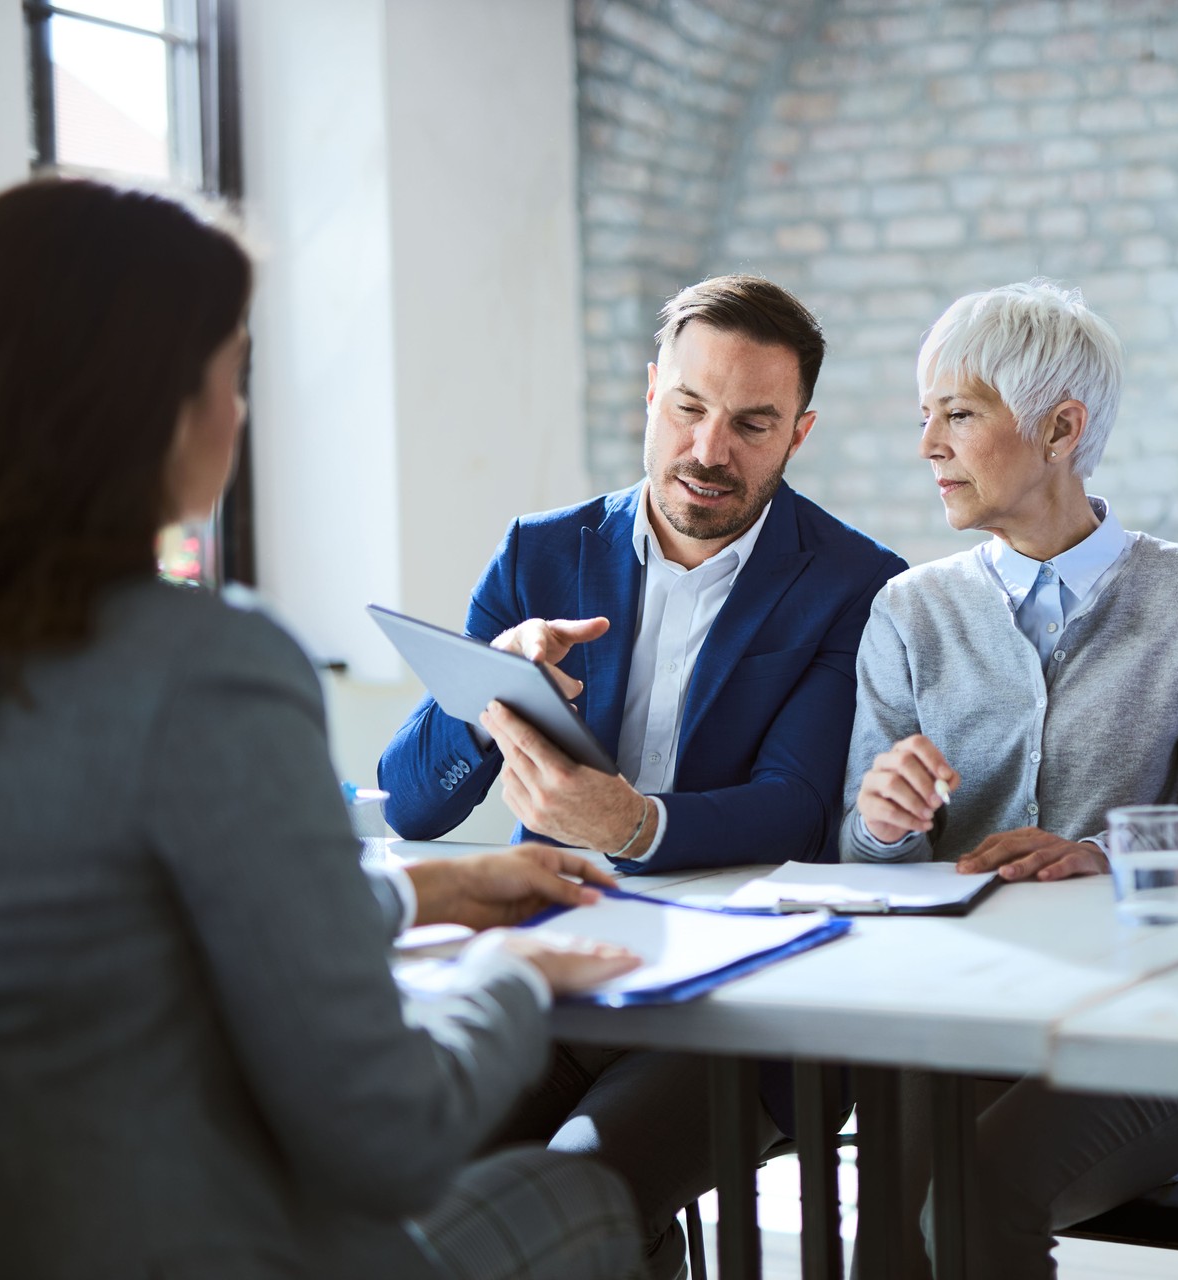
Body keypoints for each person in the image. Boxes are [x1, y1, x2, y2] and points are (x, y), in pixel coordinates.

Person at [0, 179, 646, 1280]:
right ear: (154, 402)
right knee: (582, 1193)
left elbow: (107, 923)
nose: (240, 411)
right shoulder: (203, 666)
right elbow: (390, 1135)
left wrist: (432, 891)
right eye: (234, 373)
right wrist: (514, 974)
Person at [379, 273, 906, 1277]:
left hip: (745, 1009)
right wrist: (494, 690)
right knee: (416, 1171)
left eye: (754, 423)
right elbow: (413, 799)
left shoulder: (855, 583)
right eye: (690, 408)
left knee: (580, 1179)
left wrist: (631, 826)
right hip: (557, 973)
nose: (710, 452)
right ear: (652, 391)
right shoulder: (540, 552)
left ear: (800, 432)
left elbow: (795, 805)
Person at [840, 279, 1178, 1277]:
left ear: (1060, 427)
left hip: (1152, 1028)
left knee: (976, 1188)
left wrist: (1105, 854)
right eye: (925, 416)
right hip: (955, 1020)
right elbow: (858, 860)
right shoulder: (911, 611)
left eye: (959, 413)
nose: (928, 445)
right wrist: (884, 821)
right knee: (886, 1222)